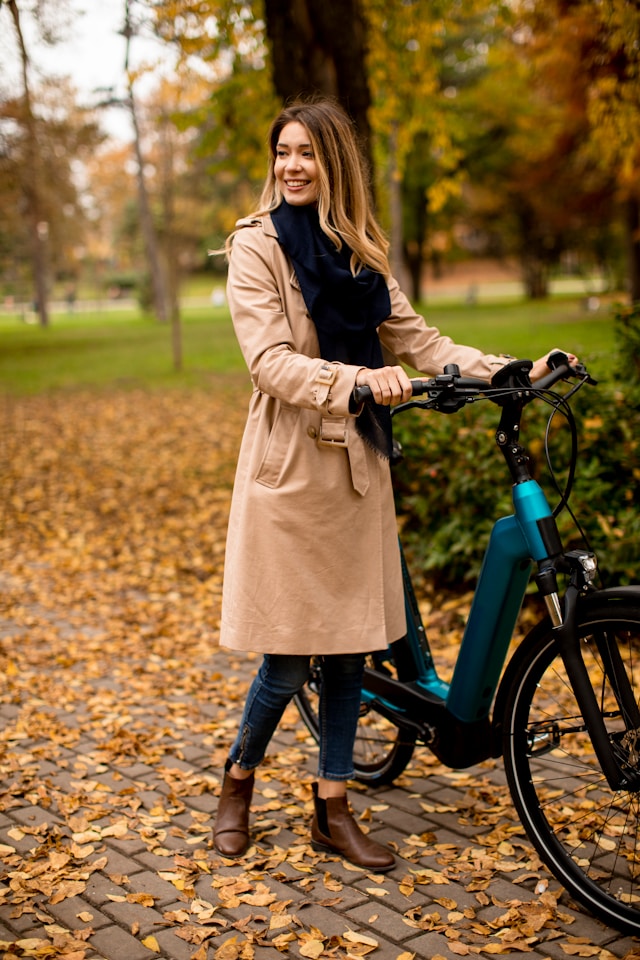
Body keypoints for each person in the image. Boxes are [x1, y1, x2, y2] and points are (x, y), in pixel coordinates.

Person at [213, 97, 576, 872]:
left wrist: (514, 370)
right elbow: (269, 362)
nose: (291, 166)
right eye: (282, 152)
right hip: (290, 468)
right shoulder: (258, 246)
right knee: (286, 657)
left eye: (307, 152)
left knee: (349, 653)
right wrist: (359, 379)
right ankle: (238, 779)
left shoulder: (363, 252)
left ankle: (332, 806)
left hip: (356, 470)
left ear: (335, 162)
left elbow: (422, 341)